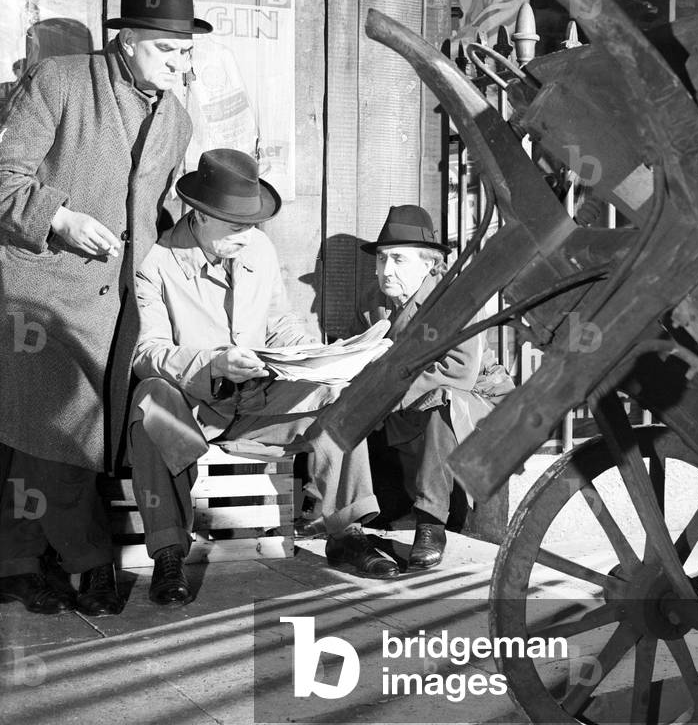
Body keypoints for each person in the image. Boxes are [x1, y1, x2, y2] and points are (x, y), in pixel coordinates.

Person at [0, 0, 210, 615]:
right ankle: (90, 566)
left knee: (70, 439)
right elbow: (4, 178)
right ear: (127, 39)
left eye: (186, 52)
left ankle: (30, 564)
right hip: (40, 297)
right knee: (59, 435)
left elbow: (156, 211)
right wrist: (60, 218)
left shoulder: (176, 119)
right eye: (167, 50)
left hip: (117, 306)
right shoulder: (60, 81)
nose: (179, 64)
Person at [129, 148, 398, 606]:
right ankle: (169, 553)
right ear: (200, 215)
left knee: (341, 392)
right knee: (150, 399)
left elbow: (278, 323)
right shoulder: (155, 263)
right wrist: (213, 364)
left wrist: (320, 356)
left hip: (258, 403)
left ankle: (346, 533)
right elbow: (147, 352)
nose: (248, 235)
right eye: (237, 226)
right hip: (193, 408)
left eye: (253, 224)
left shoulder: (257, 248)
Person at [357, 205, 512, 570]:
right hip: (405, 403)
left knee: (441, 402)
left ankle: (430, 524)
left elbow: (459, 370)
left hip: (472, 400)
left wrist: (388, 398)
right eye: (381, 259)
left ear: (429, 264)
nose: (386, 270)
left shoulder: (455, 299)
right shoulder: (372, 302)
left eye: (398, 259)